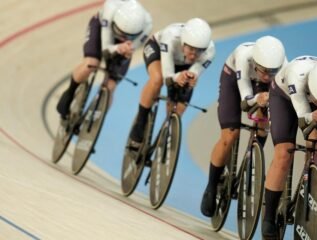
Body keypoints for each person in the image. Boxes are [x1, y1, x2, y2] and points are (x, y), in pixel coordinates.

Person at [200, 36, 287, 217]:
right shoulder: (243, 56)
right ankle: (211, 185)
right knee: (230, 135)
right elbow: (246, 101)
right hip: (234, 79)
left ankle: (252, 156)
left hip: (264, 88)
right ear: (255, 62)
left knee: (265, 121)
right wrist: (258, 99)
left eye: (271, 72)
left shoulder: (282, 67)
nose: (266, 75)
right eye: (263, 71)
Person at [261, 55, 317, 239]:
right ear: (311, 88)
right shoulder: (297, 75)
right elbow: (303, 119)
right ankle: (268, 217)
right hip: (284, 97)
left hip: (311, 102)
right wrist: (313, 115)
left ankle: (306, 184)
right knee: (284, 153)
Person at [127, 18, 215, 150]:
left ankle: (164, 134)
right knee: (157, 80)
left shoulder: (210, 51)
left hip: (182, 65)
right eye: (191, 49)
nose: (193, 55)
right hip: (158, 50)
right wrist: (175, 78)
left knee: (179, 106)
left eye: (199, 51)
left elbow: (194, 72)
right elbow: (167, 76)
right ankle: (141, 120)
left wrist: (191, 78)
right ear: (183, 43)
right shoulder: (170, 37)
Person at [56, 0, 152, 120]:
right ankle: (70, 92)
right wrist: (118, 47)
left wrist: (125, 48)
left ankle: (96, 120)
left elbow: (131, 48)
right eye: (121, 33)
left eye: (128, 36)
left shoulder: (147, 25)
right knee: (91, 63)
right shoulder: (110, 9)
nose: (123, 37)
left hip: (125, 45)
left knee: (111, 85)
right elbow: (105, 48)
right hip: (102, 29)